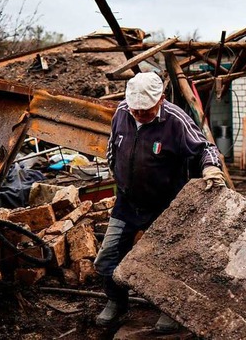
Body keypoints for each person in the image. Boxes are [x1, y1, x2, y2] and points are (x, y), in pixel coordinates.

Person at [94, 72, 227, 331]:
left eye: (145, 111)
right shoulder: (123, 111)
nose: (138, 115)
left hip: (165, 205)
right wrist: (120, 174)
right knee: (106, 258)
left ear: (161, 100)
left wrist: (211, 168)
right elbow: (112, 147)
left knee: (170, 260)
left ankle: (171, 309)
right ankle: (116, 302)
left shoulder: (175, 120)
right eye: (135, 110)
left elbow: (205, 148)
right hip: (128, 202)